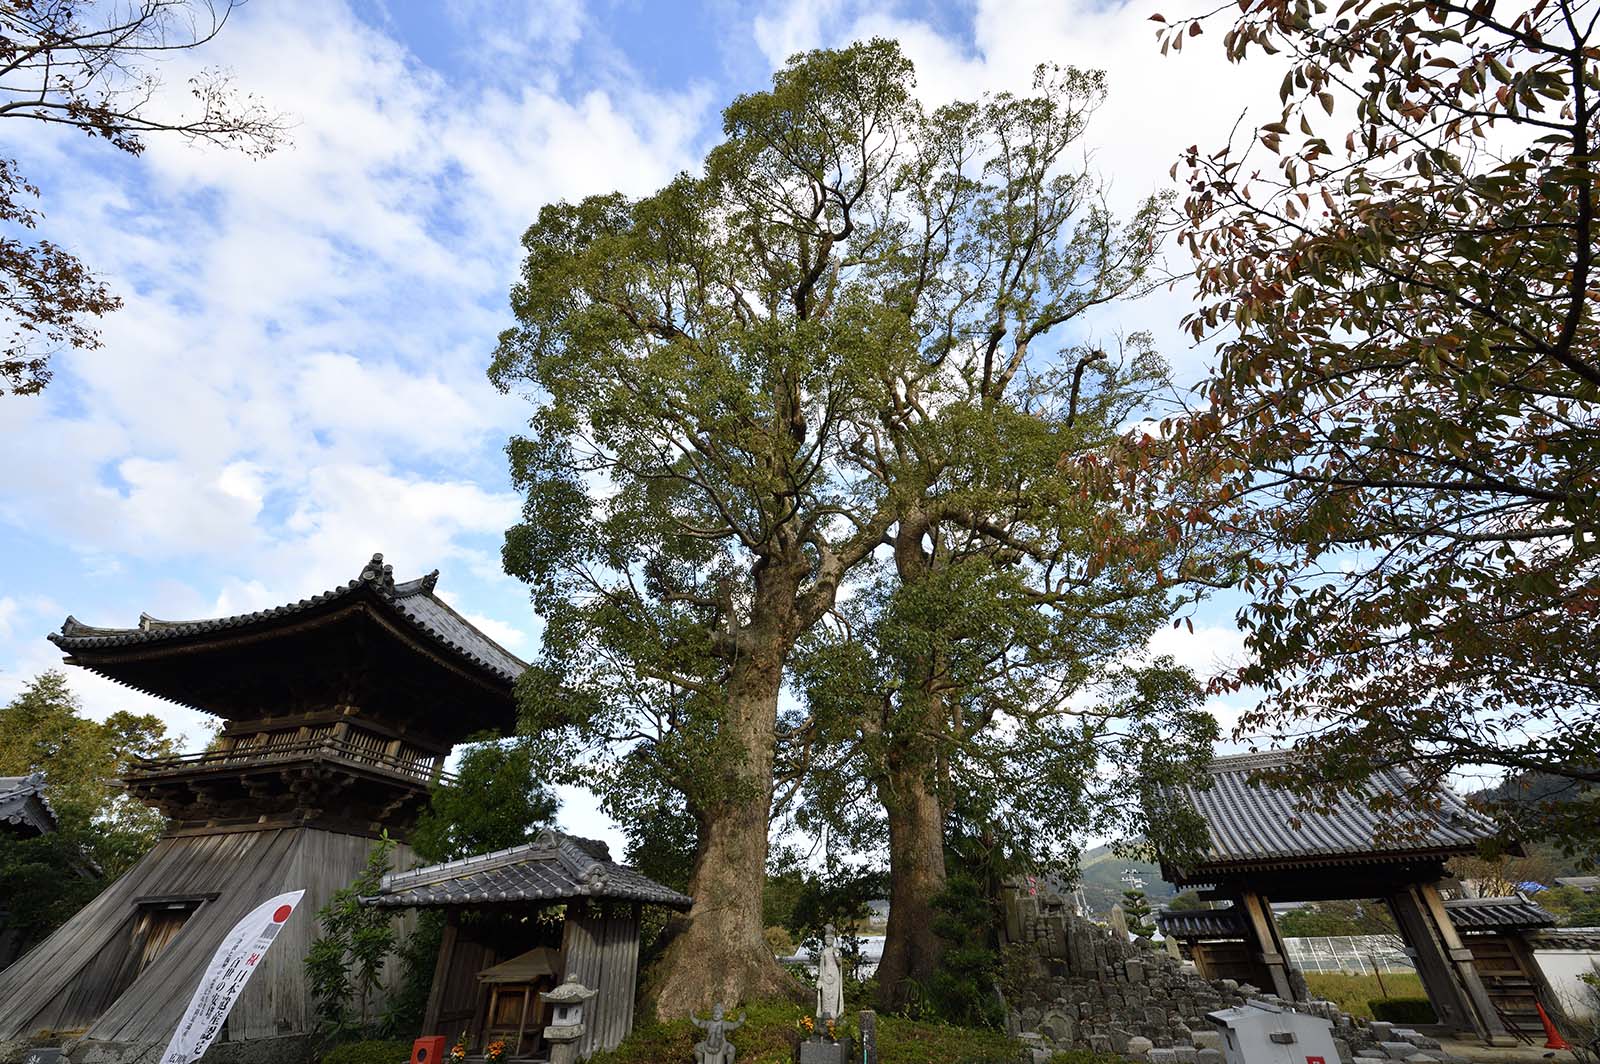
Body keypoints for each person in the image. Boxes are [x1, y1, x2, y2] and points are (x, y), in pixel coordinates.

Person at [816, 923, 844, 1020]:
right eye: (827, 939)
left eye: (830, 939)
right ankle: (825, 1013)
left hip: (834, 974)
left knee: (834, 995)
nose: (828, 941)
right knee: (825, 995)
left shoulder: (836, 950)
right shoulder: (823, 952)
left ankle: (834, 1013)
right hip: (826, 974)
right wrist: (820, 979)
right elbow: (821, 966)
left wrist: (836, 956)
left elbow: (840, 963)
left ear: (833, 940)